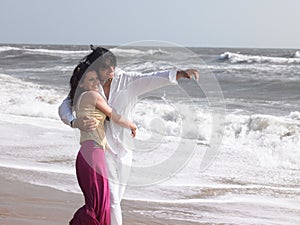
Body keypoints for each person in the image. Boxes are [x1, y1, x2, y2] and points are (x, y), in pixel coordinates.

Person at [59, 45, 199, 225]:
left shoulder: (127, 80)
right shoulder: (91, 82)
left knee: (116, 198)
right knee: (112, 199)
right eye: (105, 67)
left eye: (113, 66)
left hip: (125, 148)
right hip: (102, 147)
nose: (111, 71)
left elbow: (151, 78)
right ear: (96, 67)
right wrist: (73, 121)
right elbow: (66, 104)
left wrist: (178, 74)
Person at [67, 60, 136, 225]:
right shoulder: (92, 95)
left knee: (98, 204)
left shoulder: (79, 99)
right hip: (93, 153)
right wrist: (133, 125)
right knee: (99, 205)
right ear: (82, 83)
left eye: (97, 79)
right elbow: (114, 115)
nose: (96, 83)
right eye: (91, 80)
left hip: (89, 153)